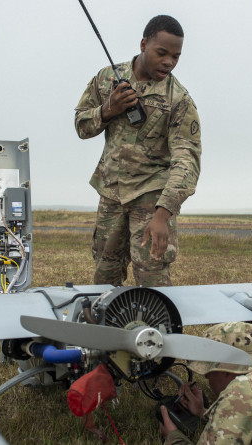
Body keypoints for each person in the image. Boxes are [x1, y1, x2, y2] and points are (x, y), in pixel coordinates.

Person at [74, 15, 201, 287]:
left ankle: (154, 331)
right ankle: (108, 329)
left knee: (153, 283)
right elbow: (81, 126)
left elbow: (187, 161)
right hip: (111, 194)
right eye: (162, 53)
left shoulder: (178, 99)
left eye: (176, 56)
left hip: (151, 199)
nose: (169, 62)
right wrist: (108, 109)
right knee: (104, 281)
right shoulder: (107, 79)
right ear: (144, 44)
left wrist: (163, 214)